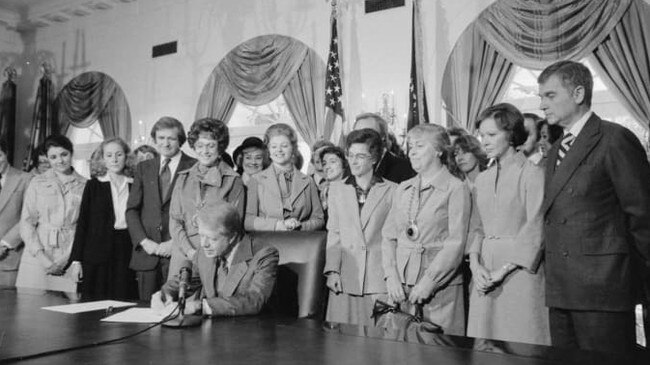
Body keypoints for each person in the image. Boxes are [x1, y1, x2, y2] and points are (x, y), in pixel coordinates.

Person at [538, 60, 650, 353]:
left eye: (550, 96)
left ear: (577, 94)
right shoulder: (555, 151)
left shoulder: (614, 139)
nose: (542, 105)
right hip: (562, 290)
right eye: (540, 97)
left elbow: (642, 216)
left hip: (603, 290)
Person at [466, 103, 549, 345]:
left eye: (492, 135)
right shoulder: (482, 179)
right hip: (483, 273)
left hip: (520, 272)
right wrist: (475, 266)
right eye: (482, 135)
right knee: (485, 347)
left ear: (511, 134)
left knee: (520, 344)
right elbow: (477, 228)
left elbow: (537, 229)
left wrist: (501, 271)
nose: (485, 141)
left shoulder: (532, 174)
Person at [382, 124, 471, 336]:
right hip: (400, 289)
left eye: (420, 146)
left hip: (439, 290)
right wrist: (391, 276)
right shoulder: (403, 188)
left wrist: (430, 282)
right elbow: (388, 236)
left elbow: (455, 244)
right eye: (410, 146)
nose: (411, 151)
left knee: (437, 353)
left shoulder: (456, 188)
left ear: (439, 150)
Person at [152, 203, 279, 316]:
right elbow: (188, 281)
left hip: (248, 332)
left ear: (232, 237)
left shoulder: (264, 254)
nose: (204, 244)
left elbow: (254, 301)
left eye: (212, 239)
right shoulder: (204, 253)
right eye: (201, 236)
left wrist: (201, 306)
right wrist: (163, 294)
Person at [324, 129, 395, 325]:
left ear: (374, 159)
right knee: (341, 343)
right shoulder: (337, 189)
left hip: (378, 279)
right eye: (351, 155)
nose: (353, 162)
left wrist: (393, 278)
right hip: (346, 277)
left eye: (360, 156)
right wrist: (332, 270)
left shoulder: (393, 190)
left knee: (379, 344)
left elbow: (394, 239)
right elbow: (334, 233)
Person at [126, 117, 197, 301]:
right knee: (145, 312)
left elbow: (196, 213)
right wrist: (144, 242)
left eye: (171, 138)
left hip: (178, 252)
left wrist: (175, 242)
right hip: (147, 254)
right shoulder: (143, 168)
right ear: (155, 139)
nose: (165, 143)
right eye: (161, 137)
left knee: (175, 310)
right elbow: (132, 210)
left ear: (180, 140)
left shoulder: (194, 166)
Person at [168, 118, 245, 280]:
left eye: (211, 145)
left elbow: (234, 227)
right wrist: (189, 251)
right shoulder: (183, 178)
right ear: (194, 147)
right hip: (182, 254)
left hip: (215, 256)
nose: (205, 151)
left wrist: (203, 255)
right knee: (174, 302)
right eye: (200, 146)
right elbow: (174, 220)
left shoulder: (233, 180)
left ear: (220, 147)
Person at [67, 137, 137, 300]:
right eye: (109, 155)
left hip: (125, 250)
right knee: (93, 306)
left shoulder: (134, 184)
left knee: (123, 302)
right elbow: (83, 223)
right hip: (95, 254)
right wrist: (77, 260)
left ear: (126, 157)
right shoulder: (93, 185)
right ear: (102, 159)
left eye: (119, 154)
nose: (114, 159)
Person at [16, 135, 87, 292]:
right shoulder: (37, 182)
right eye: (53, 157)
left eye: (64, 154)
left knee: (63, 312)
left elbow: (85, 227)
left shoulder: (85, 185)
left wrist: (68, 258)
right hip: (37, 255)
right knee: (30, 309)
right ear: (47, 158)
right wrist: (43, 258)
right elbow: (26, 223)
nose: (60, 161)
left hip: (69, 257)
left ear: (71, 153)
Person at [245, 123, 324, 232]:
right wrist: (277, 225)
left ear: (293, 148)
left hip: (302, 243)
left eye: (284, 146)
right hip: (266, 244)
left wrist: (300, 226)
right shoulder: (256, 180)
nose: (279, 150)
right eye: (274, 146)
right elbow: (248, 221)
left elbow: (319, 219)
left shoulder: (308, 181)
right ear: (268, 150)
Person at [0, 140, 33, 287]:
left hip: (9, 258)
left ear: (6, 154)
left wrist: (4, 244)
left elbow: (29, 216)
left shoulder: (26, 179)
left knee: (7, 308)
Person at [353, 113, 416, 183]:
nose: (360, 138)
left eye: (368, 133)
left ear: (382, 136)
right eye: (356, 133)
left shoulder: (406, 168)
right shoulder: (349, 168)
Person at [318, 146, 350, 211]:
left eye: (332, 162)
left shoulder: (352, 188)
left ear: (343, 163)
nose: (327, 167)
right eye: (324, 163)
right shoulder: (323, 191)